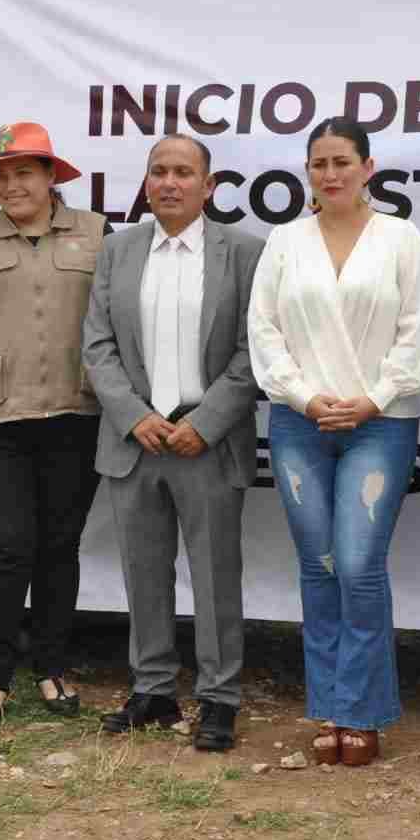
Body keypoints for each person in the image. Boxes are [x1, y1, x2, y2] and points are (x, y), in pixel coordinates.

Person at [248, 116, 420, 767]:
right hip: (300, 422)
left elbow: (416, 332)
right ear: (308, 172)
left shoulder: (401, 239)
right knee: (319, 564)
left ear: (368, 169)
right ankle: (330, 708)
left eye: (341, 162)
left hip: (380, 424)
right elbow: (264, 332)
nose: (330, 174)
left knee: (357, 564)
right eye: (318, 163)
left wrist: (372, 399)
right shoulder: (284, 241)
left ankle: (362, 711)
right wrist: (305, 398)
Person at [82, 134, 265, 751]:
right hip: (136, 439)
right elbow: (97, 345)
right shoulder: (118, 250)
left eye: (183, 172)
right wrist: (134, 416)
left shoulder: (243, 252)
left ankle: (218, 698)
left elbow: (253, 350)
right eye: (158, 171)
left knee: (216, 575)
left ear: (208, 186)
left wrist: (205, 421)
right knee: (144, 571)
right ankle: (153, 688)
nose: (169, 182)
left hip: (205, 440)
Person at [0, 121, 109, 726]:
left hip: (76, 414)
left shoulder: (96, 234)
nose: (11, 185)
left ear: (51, 178)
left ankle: (53, 670)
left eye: (23, 173)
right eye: (0, 176)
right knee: (8, 548)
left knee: (59, 548)